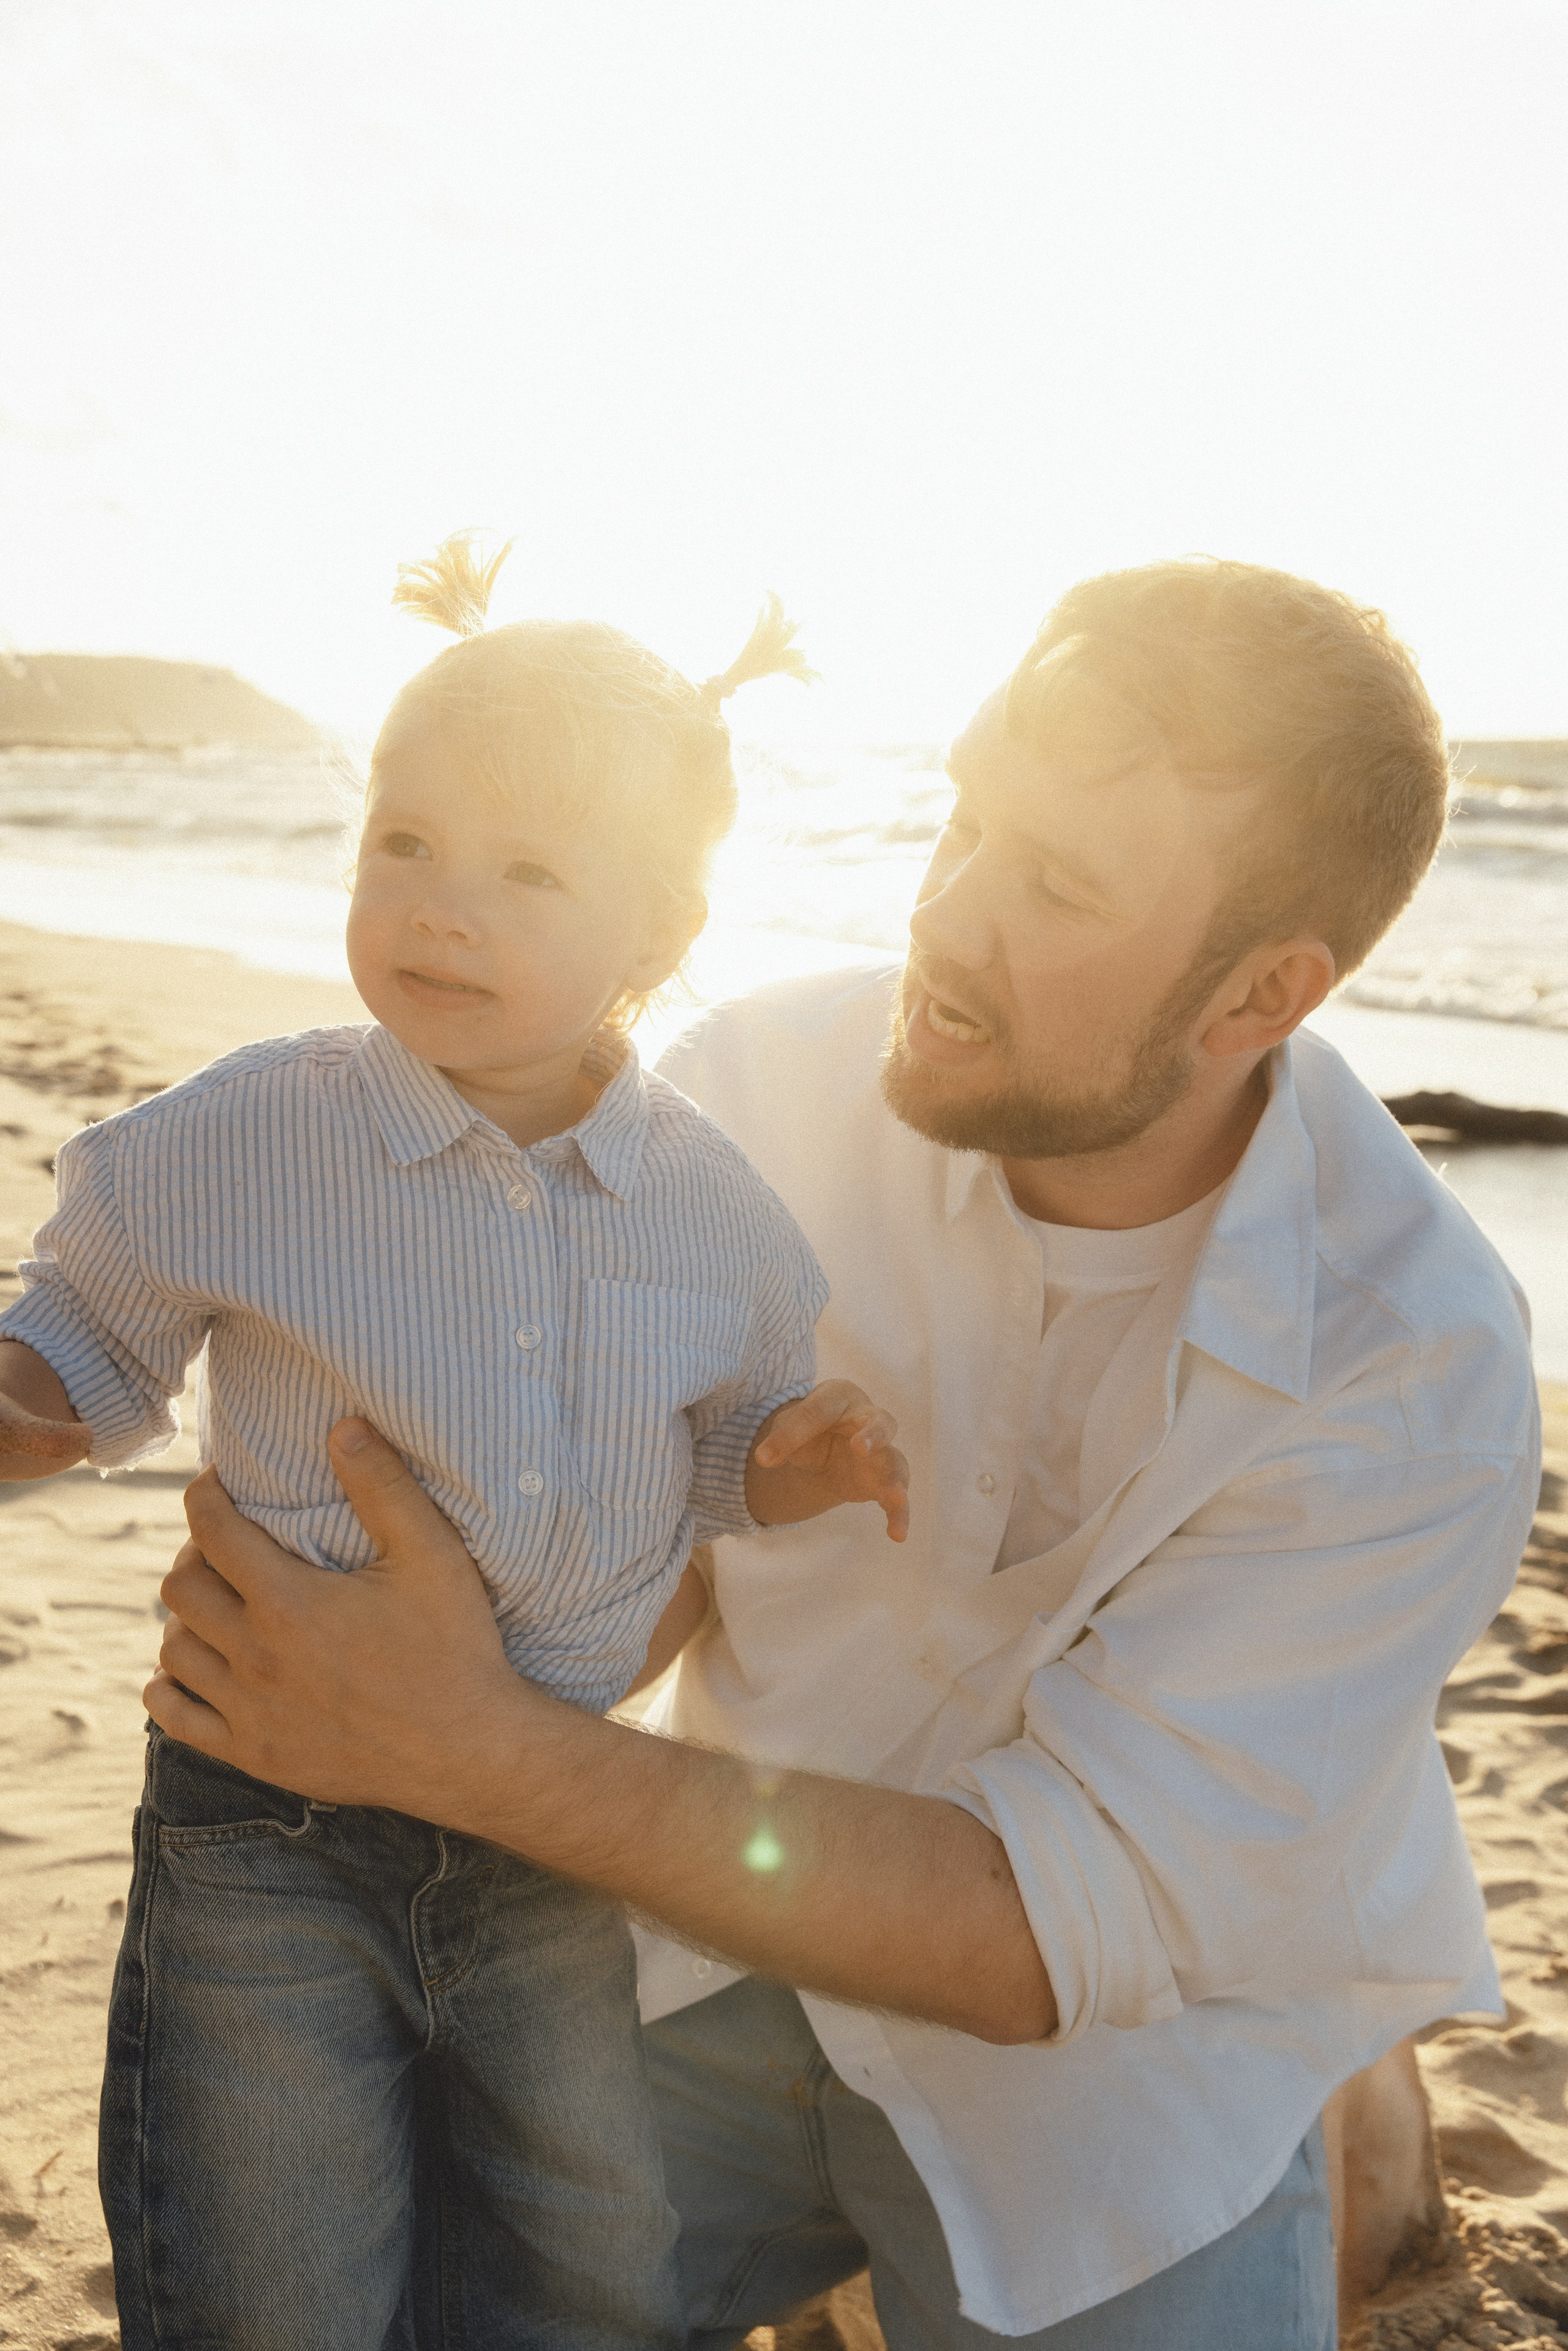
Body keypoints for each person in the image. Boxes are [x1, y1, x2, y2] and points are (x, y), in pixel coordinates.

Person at [145, 559, 1539, 2349]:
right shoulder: (755, 1091)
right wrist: (391, 1621)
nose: (947, 914)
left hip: (1119, 2074)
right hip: (701, 1944)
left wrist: (469, 1744)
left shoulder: (1413, 1366)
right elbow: (632, 1560)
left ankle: (1346, 2113)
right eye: (965, 817)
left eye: (1056, 884)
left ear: (1260, 995)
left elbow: (1046, 1936)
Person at [0, 535, 908, 2351]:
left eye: (529, 871)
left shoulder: (714, 1213)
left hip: (548, 1817)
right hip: (267, 1813)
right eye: (404, 842)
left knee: (582, 2243)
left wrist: (792, 1465)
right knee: (268, 2255)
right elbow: (82, 1332)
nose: (441, 909)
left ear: (663, 934)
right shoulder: (253, 1135)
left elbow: (700, 1451)